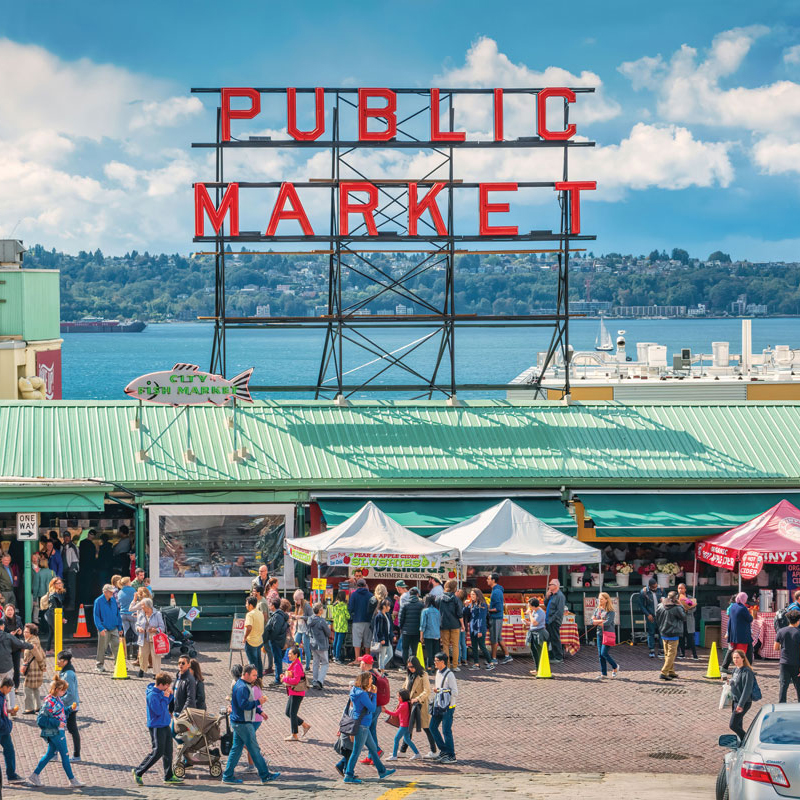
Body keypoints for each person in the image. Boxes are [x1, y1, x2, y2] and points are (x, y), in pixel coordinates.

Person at [222, 663, 280, 784]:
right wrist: (258, 702)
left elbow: (245, 703)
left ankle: (227, 776)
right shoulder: (243, 687)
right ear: (246, 674)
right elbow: (245, 705)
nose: (256, 677)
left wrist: (259, 711)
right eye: (253, 675)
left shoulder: (241, 684)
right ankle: (265, 775)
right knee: (254, 749)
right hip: (243, 722)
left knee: (236, 749)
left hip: (238, 722)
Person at [27, 677, 84, 788]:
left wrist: (69, 709)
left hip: (57, 732)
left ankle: (35, 775)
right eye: (63, 690)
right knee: (65, 755)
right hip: (56, 733)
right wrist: (57, 723)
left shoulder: (57, 699)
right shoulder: (49, 703)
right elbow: (41, 720)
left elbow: (60, 713)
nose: (65, 692)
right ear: (57, 689)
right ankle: (72, 780)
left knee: (49, 754)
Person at [341, 671, 395, 784]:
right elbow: (372, 708)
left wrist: (369, 693)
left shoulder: (355, 690)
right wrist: (374, 694)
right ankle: (348, 775)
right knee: (356, 752)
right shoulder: (362, 694)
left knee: (373, 749)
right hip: (363, 726)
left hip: (361, 724)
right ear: (366, 681)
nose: (372, 680)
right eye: (370, 679)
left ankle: (382, 771)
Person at [131, 672, 182, 785]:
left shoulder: (161, 692)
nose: (168, 687)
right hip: (156, 727)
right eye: (167, 685)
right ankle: (139, 771)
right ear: (161, 684)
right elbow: (158, 711)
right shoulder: (152, 695)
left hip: (164, 725)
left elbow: (167, 703)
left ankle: (168, 776)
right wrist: (165, 697)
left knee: (168, 751)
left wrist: (170, 696)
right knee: (157, 751)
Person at [400, 656, 436, 758]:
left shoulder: (423, 675)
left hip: (420, 705)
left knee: (426, 727)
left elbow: (427, 690)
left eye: (412, 666)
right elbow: (405, 686)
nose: (410, 668)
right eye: (409, 667)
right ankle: (403, 751)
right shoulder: (409, 674)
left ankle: (434, 750)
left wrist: (418, 699)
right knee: (408, 728)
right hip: (410, 705)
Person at [428, 652, 458, 764]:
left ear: (442, 662)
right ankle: (444, 750)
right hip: (439, 705)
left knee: (446, 731)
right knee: (432, 727)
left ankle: (451, 755)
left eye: (436, 660)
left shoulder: (450, 675)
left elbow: (455, 692)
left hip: (448, 707)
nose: (434, 662)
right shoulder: (437, 673)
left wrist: (439, 690)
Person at [655, 590, 686, 681]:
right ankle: (664, 672)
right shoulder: (677, 607)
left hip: (663, 632)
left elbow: (656, 618)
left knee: (667, 653)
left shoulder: (660, 605)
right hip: (673, 632)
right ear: (675, 598)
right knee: (672, 654)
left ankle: (671, 671)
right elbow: (684, 617)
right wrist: (681, 605)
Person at [0, 618, 30, 711]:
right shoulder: (8, 636)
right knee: (10, 687)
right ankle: (11, 708)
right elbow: (20, 644)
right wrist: (31, 646)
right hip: (6, 666)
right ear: (2, 626)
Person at [281, 646, 311, 741]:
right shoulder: (295, 664)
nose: (288, 655)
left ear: (296, 655)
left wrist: (285, 679)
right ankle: (305, 725)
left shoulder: (297, 665)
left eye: (290, 654)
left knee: (292, 713)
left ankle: (294, 735)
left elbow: (296, 680)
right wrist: (285, 676)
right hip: (293, 692)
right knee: (288, 712)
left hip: (297, 693)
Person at [728, 649, 757, 742]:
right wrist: (729, 682)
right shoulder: (735, 670)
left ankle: (747, 741)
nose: (735, 660)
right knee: (738, 725)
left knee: (733, 725)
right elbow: (736, 683)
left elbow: (747, 689)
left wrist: (740, 705)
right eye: (734, 658)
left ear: (743, 659)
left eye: (737, 658)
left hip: (743, 702)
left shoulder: (747, 672)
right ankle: (741, 742)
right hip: (735, 700)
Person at [93, 584, 123, 673]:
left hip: (114, 628)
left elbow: (117, 614)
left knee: (117, 647)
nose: (113, 593)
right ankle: (99, 665)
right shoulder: (98, 601)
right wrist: (100, 628)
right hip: (104, 629)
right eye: (111, 592)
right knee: (102, 648)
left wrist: (120, 627)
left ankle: (118, 664)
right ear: (105, 592)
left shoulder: (113, 600)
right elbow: (96, 616)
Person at [384, 688, 420, 761]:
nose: (397, 698)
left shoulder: (403, 705)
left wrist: (385, 711)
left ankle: (394, 756)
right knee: (407, 739)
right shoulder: (406, 703)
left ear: (402, 697)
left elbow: (395, 714)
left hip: (404, 725)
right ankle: (417, 754)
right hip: (406, 725)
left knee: (396, 739)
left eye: (398, 696)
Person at [57, 650, 80, 762]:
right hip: (68, 706)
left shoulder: (68, 674)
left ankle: (76, 755)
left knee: (71, 730)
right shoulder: (66, 672)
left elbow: (70, 694)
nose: (57, 662)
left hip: (69, 707)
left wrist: (58, 702)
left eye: (59, 660)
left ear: (65, 661)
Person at [436, 580, 463, 671]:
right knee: (455, 645)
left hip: (443, 624)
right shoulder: (456, 599)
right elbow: (459, 613)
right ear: (454, 588)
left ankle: (446, 665)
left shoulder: (439, 598)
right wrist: (462, 624)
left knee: (445, 645)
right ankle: (455, 665)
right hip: (455, 624)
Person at [774, 608, 800, 703]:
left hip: (784, 662)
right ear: (798, 621)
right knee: (798, 687)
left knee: (783, 686)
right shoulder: (799, 632)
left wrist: (785, 646)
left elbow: (776, 647)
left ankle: (781, 705)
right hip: (796, 663)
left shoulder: (781, 631)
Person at [591, 592, 619, 680]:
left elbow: (607, 623)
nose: (599, 601)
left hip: (608, 634)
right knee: (600, 655)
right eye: (599, 599)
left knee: (604, 653)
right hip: (599, 634)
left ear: (606, 600)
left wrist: (597, 622)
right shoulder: (597, 609)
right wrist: (599, 621)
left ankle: (615, 667)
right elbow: (592, 621)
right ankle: (604, 673)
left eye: (601, 599)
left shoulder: (611, 611)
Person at [135, 598, 165, 679]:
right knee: (142, 654)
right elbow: (137, 624)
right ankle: (142, 669)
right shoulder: (141, 613)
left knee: (155, 655)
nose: (141, 606)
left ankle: (156, 673)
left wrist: (155, 630)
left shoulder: (157, 614)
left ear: (148, 606)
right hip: (143, 637)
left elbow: (162, 627)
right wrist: (138, 628)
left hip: (154, 638)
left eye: (142, 605)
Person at [487, 573, 513, 665]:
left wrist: (488, 609)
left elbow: (498, 608)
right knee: (498, 637)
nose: (487, 580)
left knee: (494, 638)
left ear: (493, 580)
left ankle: (494, 658)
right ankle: (507, 655)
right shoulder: (497, 590)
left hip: (495, 618)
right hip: (498, 617)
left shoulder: (496, 592)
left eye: (488, 579)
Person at [0, 677, 22, 783]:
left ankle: (12, 775)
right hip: (2, 729)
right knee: (9, 751)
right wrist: (5, 724)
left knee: (9, 751)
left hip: (4, 731)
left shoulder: (2, 696)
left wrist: (9, 711)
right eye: (9, 688)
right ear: (4, 687)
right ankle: (11, 775)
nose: (9, 691)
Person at [264, 597, 289, 686]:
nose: (269, 605)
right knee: (278, 659)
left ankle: (278, 679)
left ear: (273, 605)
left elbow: (276, 630)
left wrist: (270, 637)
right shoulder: (280, 615)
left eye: (270, 604)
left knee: (277, 660)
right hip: (280, 640)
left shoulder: (277, 616)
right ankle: (279, 677)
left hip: (276, 641)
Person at [21, 623, 45, 713]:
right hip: (35, 668)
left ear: (32, 633)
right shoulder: (33, 639)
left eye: (27, 632)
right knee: (35, 687)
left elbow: (39, 656)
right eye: (24, 631)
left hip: (33, 669)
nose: (24, 633)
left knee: (27, 687)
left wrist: (42, 666)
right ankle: (38, 706)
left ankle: (29, 708)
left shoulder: (32, 643)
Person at [637, 577, 664, 658]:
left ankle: (661, 649)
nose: (655, 588)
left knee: (661, 632)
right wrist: (647, 614)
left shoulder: (661, 590)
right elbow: (641, 605)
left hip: (660, 614)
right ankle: (651, 650)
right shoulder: (644, 592)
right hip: (651, 614)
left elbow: (666, 599)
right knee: (651, 632)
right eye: (653, 587)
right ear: (649, 586)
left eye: (656, 586)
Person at [308, 601, 332, 689]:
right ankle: (320, 681)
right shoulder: (322, 621)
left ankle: (314, 681)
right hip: (322, 644)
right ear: (320, 610)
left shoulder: (310, 619)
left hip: (313, 644)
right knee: (325, 663)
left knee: (315, 662)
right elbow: (328, 633)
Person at [348, 579, 372, 663]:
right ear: (365, 585)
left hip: (357, 620)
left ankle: (357, 659)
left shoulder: (354, 595)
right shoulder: (370, 595)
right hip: (368, 620)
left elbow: (350, 608)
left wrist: (353, 614)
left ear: (357, 586)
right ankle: (367, 659)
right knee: (367, 641)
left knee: (357, 640)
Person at [399, 587, 424, 666]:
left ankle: (406, 664)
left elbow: (401, 618)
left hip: (406, 631)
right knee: (414, 649)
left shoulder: (404, 605)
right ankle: (413, 665)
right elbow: (422, 619)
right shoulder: (421, 605)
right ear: (417, 595)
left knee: (405, 648)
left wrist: (401, 627)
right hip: (416, 631)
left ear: (409, 595)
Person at [728, 591, 754, 665]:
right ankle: (743, 668)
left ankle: (748, 667)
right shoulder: (743, 608)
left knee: (748, 650)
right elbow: (750, 619)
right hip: (743, 634)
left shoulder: (733, 606)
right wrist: (751, 614)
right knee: (741, 653)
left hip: (734, 633)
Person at [545, 578, 566, 664]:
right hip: (549, 620)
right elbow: (546, 604)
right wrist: (547, 596)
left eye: (550, 584)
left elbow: (560, 611)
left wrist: (551, 619)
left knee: (555, 638)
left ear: (556, 586)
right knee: (549, 638)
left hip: (554, 621)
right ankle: (552, 655)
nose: (549, 586)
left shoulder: (560, 596)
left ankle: (558, 657)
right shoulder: (552, 595)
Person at [291, 590, 312, 671]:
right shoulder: (297, 606)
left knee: (306, 648)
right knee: (295, 646)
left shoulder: (306, 606)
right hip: (299, 630)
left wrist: (301, 617)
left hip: (305, 630)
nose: (296, 602)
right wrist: (293, 616)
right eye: (295, 600)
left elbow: (311, 617)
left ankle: (307, 666)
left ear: (301, 599)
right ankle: (297, 664)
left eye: (297, 600)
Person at [244, 596, 264, 679]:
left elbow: (249, 627)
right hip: (259, 640)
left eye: (247, 603)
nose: (246, 605)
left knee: (252, 662)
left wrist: (245, 637)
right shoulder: (260, 613)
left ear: (251, 605)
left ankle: (254, 679)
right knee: (258, 660)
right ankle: (259, 677)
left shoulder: (250, 614)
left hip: (251, 641)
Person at [676, 583, 699, 660]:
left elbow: (694, 608)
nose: (680, 590)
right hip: (680, 621)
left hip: (688, 620)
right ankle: (682, 653)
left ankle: (694, 654)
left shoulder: (690, 598)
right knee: (681, 638)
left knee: (691, 638)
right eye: (679, 588)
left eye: (682, 588)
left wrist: (687, 610)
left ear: (685, 589)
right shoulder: (676, 598)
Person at [420, 593, 441, 672]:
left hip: (428, 634)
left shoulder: (425, 611)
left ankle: (429, 668)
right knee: (436, 651)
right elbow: (439, 623)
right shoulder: (437, 611)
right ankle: (436, 667)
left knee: (429, 652)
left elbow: (423, 624)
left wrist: (421, 635)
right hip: (436, 634)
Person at [117, 577, 137, 660]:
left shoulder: (120, 592)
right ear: (128, 582)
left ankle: (128, 655)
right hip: (132, 614)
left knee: (127, 633)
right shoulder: (133, 590)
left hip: (123, 614)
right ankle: (135, 654)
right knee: (135, 633)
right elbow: (137, 599)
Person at [526, 596, 546, 676]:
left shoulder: (540, 612)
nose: (528, 607)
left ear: (533, 606)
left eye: (529, 605)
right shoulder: (534, 611)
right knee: (534, 651)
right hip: (533, 632)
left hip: (539, 633)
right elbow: (532, 623)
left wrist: (530, 613)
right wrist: (526, 622)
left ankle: (540, 669)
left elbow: (535, 623)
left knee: (538, 651)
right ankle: (537, 668)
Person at [44, 577, 65, 654]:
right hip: (52, 615)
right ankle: (58, 650)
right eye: (58, 583)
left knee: (52, 632)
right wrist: (60, 618)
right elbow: (55, 608)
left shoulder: (57, 593)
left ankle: (48, 650)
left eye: (60, 583)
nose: (60, 584)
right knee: (57, 632)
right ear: (54, 585)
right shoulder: (53, 595)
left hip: (52, 615)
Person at [31, 553, 54, 625]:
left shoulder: (38, 573)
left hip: (41, 596)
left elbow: (36, 587)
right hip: (50, 595)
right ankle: (49, 627)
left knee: (42, 612)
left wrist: (34, 598)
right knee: (49, 611)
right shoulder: (52, 572)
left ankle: (43, 628)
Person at [372, 599, 394, 670]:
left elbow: (389, 627)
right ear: (384, 606)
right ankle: (381, 669)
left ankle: (381, 668)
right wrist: (381, 638)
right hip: (384, 638)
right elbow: (379, 629)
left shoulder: (386, 615)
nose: (389, 608)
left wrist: (391, 635)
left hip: (387, 638)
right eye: (388, 606)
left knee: (390, 654)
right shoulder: (380, 616)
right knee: (382, 655)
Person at [61, 534, 80, 611]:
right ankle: (65, 604)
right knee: (65, 588)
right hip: (63, 571)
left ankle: (72, 605)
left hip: (71, 571)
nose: (66, 538)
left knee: (71, 588)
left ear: (70, 537)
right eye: (65, 537)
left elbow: (75, 560)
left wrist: (71, 570)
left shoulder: (73, 547)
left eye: (68, 537)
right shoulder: (62, 547)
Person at [331, 590, 351, 664]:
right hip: (342, 626)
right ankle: (337, 657)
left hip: (336, 625)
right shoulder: (344, 606)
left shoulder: (334, 605)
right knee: (340, 642)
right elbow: (347, 616)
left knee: (335, 641)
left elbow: (332, 616)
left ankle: (334, 655)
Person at [4, 605, 22, 687]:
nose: (10, 612)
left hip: (16, 646)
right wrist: (9, 635)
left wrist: (20, 632)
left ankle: (16, 686)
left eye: (11, 610)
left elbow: (22, 627)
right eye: (8, 610)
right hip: (6, 648)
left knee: (17, 668)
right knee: (6, 668)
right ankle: (6, 685)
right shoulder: (2, 621)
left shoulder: (18, 618)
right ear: (5, 611)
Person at [457, 589, 470, 668]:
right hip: (464, 625)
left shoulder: (458, 603)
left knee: (458, 643)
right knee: (463, 643)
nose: (457, 592)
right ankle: (464, 659)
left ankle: (458, 660)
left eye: (458, 591)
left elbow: (460, 614)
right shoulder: (466, 604)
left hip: (459, 625)